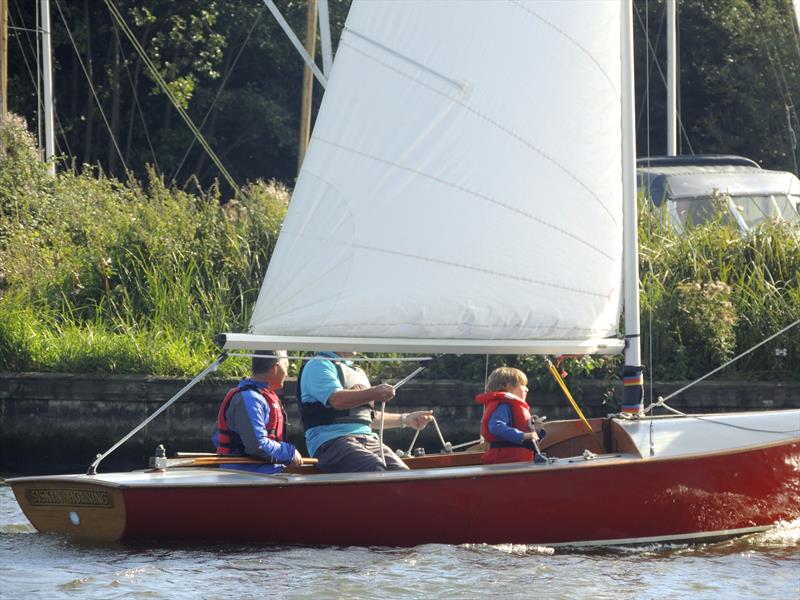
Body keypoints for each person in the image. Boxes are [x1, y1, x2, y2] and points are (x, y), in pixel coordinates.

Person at [297, 351, 434, 473]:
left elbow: (366, 416)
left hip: (368, 440)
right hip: (330, 443)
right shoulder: (318, 364)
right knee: (373, 467)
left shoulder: (356, 371)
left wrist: (405, 419)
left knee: (403, 474)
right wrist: (375, 392)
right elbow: (337, 400)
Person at [213, 350, 302, 474]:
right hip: (245, 474)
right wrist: (289, 452)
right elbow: (256, 445)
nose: (287, 373)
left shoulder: (260, 395)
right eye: (286, 366)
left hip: (263, 470)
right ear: (275, 368)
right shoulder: (250, 398)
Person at [475, 366, 546, 465]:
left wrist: (537, 430)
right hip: (505, 463)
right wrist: (523, 435)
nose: (527, 389)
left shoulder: (509, 405)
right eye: (522, 385)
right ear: (509, 388)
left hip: (518, 461)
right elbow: (495, 427)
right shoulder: (503, 406)